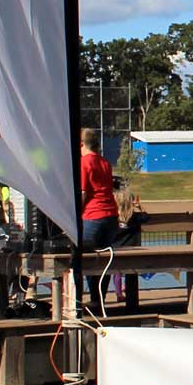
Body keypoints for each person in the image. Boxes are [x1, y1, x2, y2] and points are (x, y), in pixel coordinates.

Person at [79, 127, 120, 308]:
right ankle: (99, 299)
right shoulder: (105, 163)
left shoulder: (84, 162)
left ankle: (85, 301)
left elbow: (82, 192)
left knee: (84, 259)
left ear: (81, 144)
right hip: (111, 215)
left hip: (92, 215)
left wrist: (73, 215)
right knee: (103, 259)